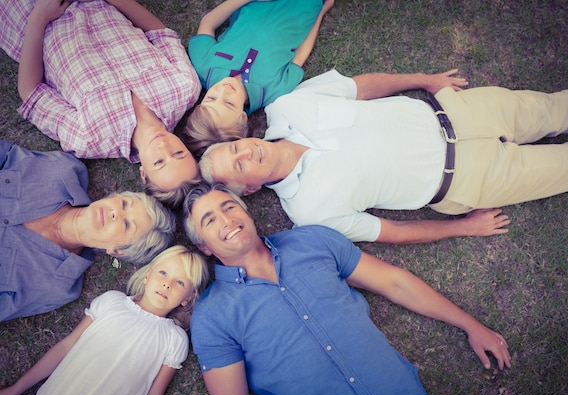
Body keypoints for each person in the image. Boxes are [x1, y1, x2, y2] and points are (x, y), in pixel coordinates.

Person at [182, 182, 511, 395]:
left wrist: (470, 324)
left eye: (229, 207)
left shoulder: (312, 241)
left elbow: (394, 283)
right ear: (204, 247)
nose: (226, 220)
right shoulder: (212, 316)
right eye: (209, 220)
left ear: (247, 213)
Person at [199, 68, 568, 244]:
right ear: (250, 189)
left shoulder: (287, 107)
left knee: (563, 109)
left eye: (234, 147)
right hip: (468, 180)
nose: (246, 151)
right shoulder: (309, 212)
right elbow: (392, 232)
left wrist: (426, 79)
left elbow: (360, 87)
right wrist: (462, 228)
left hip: (461, 111)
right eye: (239, 165)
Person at [0, 0, 203, 207]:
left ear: (143, 173)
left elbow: (32, 93)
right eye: (179, 153)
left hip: (28, 15)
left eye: (159, 162)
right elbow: (162, 35)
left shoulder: (90, 138)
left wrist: (39, 16)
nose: (163, 147)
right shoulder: (184, 88)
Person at [0, 245, 209, 395]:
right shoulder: (112, 301)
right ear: (147, 275)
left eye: (180, 282)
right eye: (163, 272)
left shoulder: (175, 340)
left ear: (187, 299)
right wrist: (12, 392)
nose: (167, 283)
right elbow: (66, 346)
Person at [0, 140, 176, 322]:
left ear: (117, 250)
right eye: (124, 203)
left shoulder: (56, 286)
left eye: (127, 225)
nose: (115, 212)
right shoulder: (62, 171)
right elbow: (6, 154)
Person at [183, 0, 334, 156]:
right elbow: (301, 52)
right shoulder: (275, 90)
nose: (222, 92)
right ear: (242, 118)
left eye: (211, 99)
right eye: (229, 103)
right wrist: (321, 12)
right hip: (305, 7)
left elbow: (207, 23)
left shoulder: (203, 64)